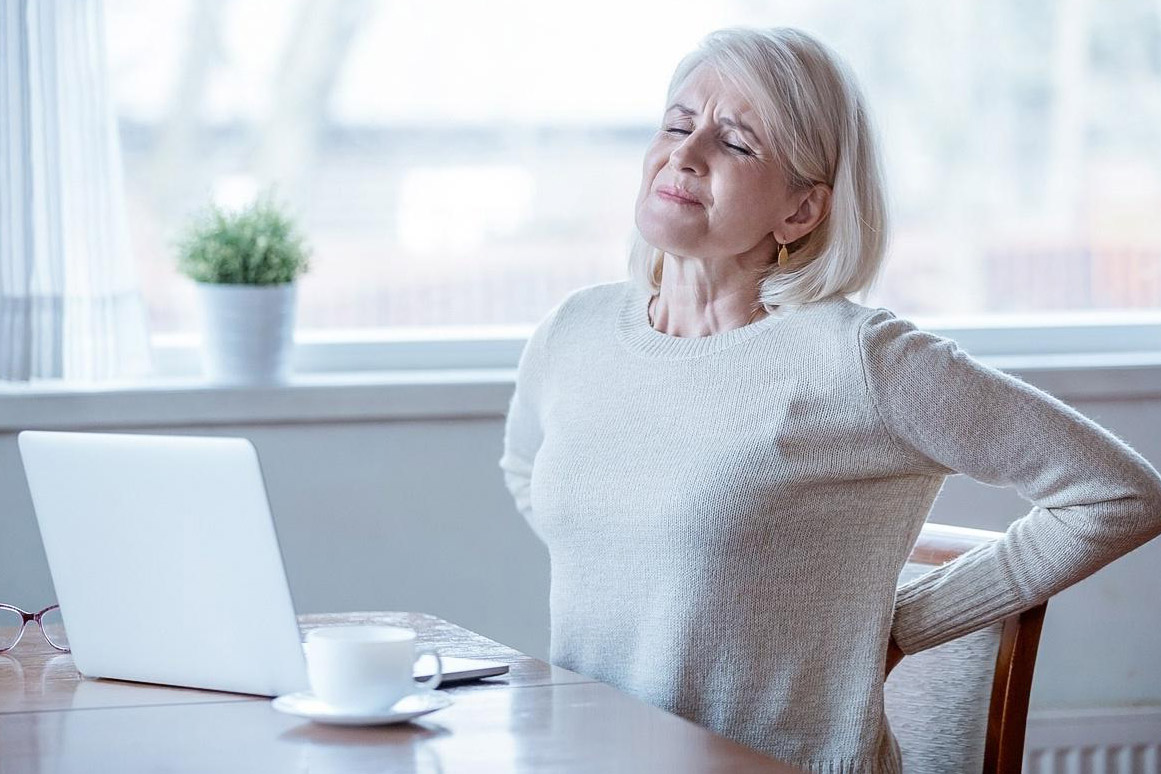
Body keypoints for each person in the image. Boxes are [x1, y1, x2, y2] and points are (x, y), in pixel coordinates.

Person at [499, 26, 1161, 773]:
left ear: (800, 212)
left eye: (736, 142)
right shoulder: (575, 330)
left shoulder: (857, 360)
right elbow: (527, 469)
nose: (684, 154)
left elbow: (1119, 496)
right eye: (677, 124)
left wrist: (904, 623)